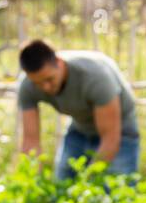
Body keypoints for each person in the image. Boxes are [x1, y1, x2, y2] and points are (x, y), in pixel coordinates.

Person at [17, 38, 139, 181]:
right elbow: (31, 141)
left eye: (49, 79)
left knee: (114, 188)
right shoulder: (27, 85)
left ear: (59, 63)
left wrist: (87, 183)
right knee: (63, 183)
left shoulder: (95, 77)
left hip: (120, 130)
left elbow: (110, 139)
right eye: (38, 83)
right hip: (80, 128)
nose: (45, 87)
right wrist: (32, 182)